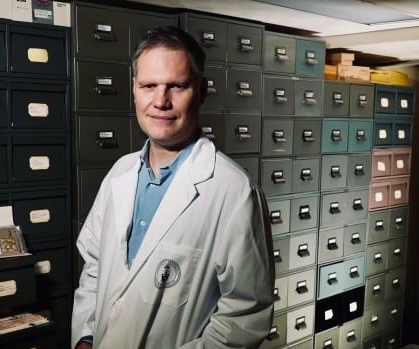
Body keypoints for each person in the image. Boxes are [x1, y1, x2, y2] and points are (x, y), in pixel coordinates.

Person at [71, 26, 274, 349]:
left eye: (177, 86)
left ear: (201, 91)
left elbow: (244, 319)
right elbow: (94, 267)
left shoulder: (233, 192)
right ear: (134, 90)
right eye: (149, 85)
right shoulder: (119, 174)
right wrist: (85, 336)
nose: (160, 101)